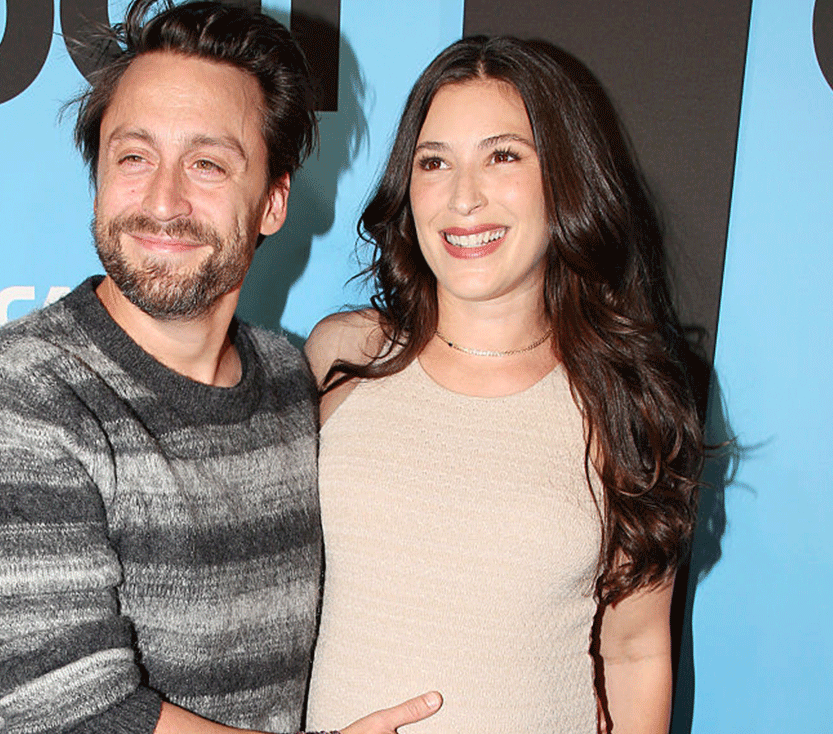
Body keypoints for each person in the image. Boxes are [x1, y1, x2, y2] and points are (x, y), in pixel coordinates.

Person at [0, 2, 438, 733]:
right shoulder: (20, 393)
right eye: (134, 157)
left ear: (274, 202)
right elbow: (73, 715)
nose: (163, 202)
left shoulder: (286, 377)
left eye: (207, 164)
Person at [302, 37, 704, 734]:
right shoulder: (344, 356)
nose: (464, 197)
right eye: (434, 162)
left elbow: (636, 651)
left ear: (567, 178)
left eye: (504, 156)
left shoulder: (623, 398)